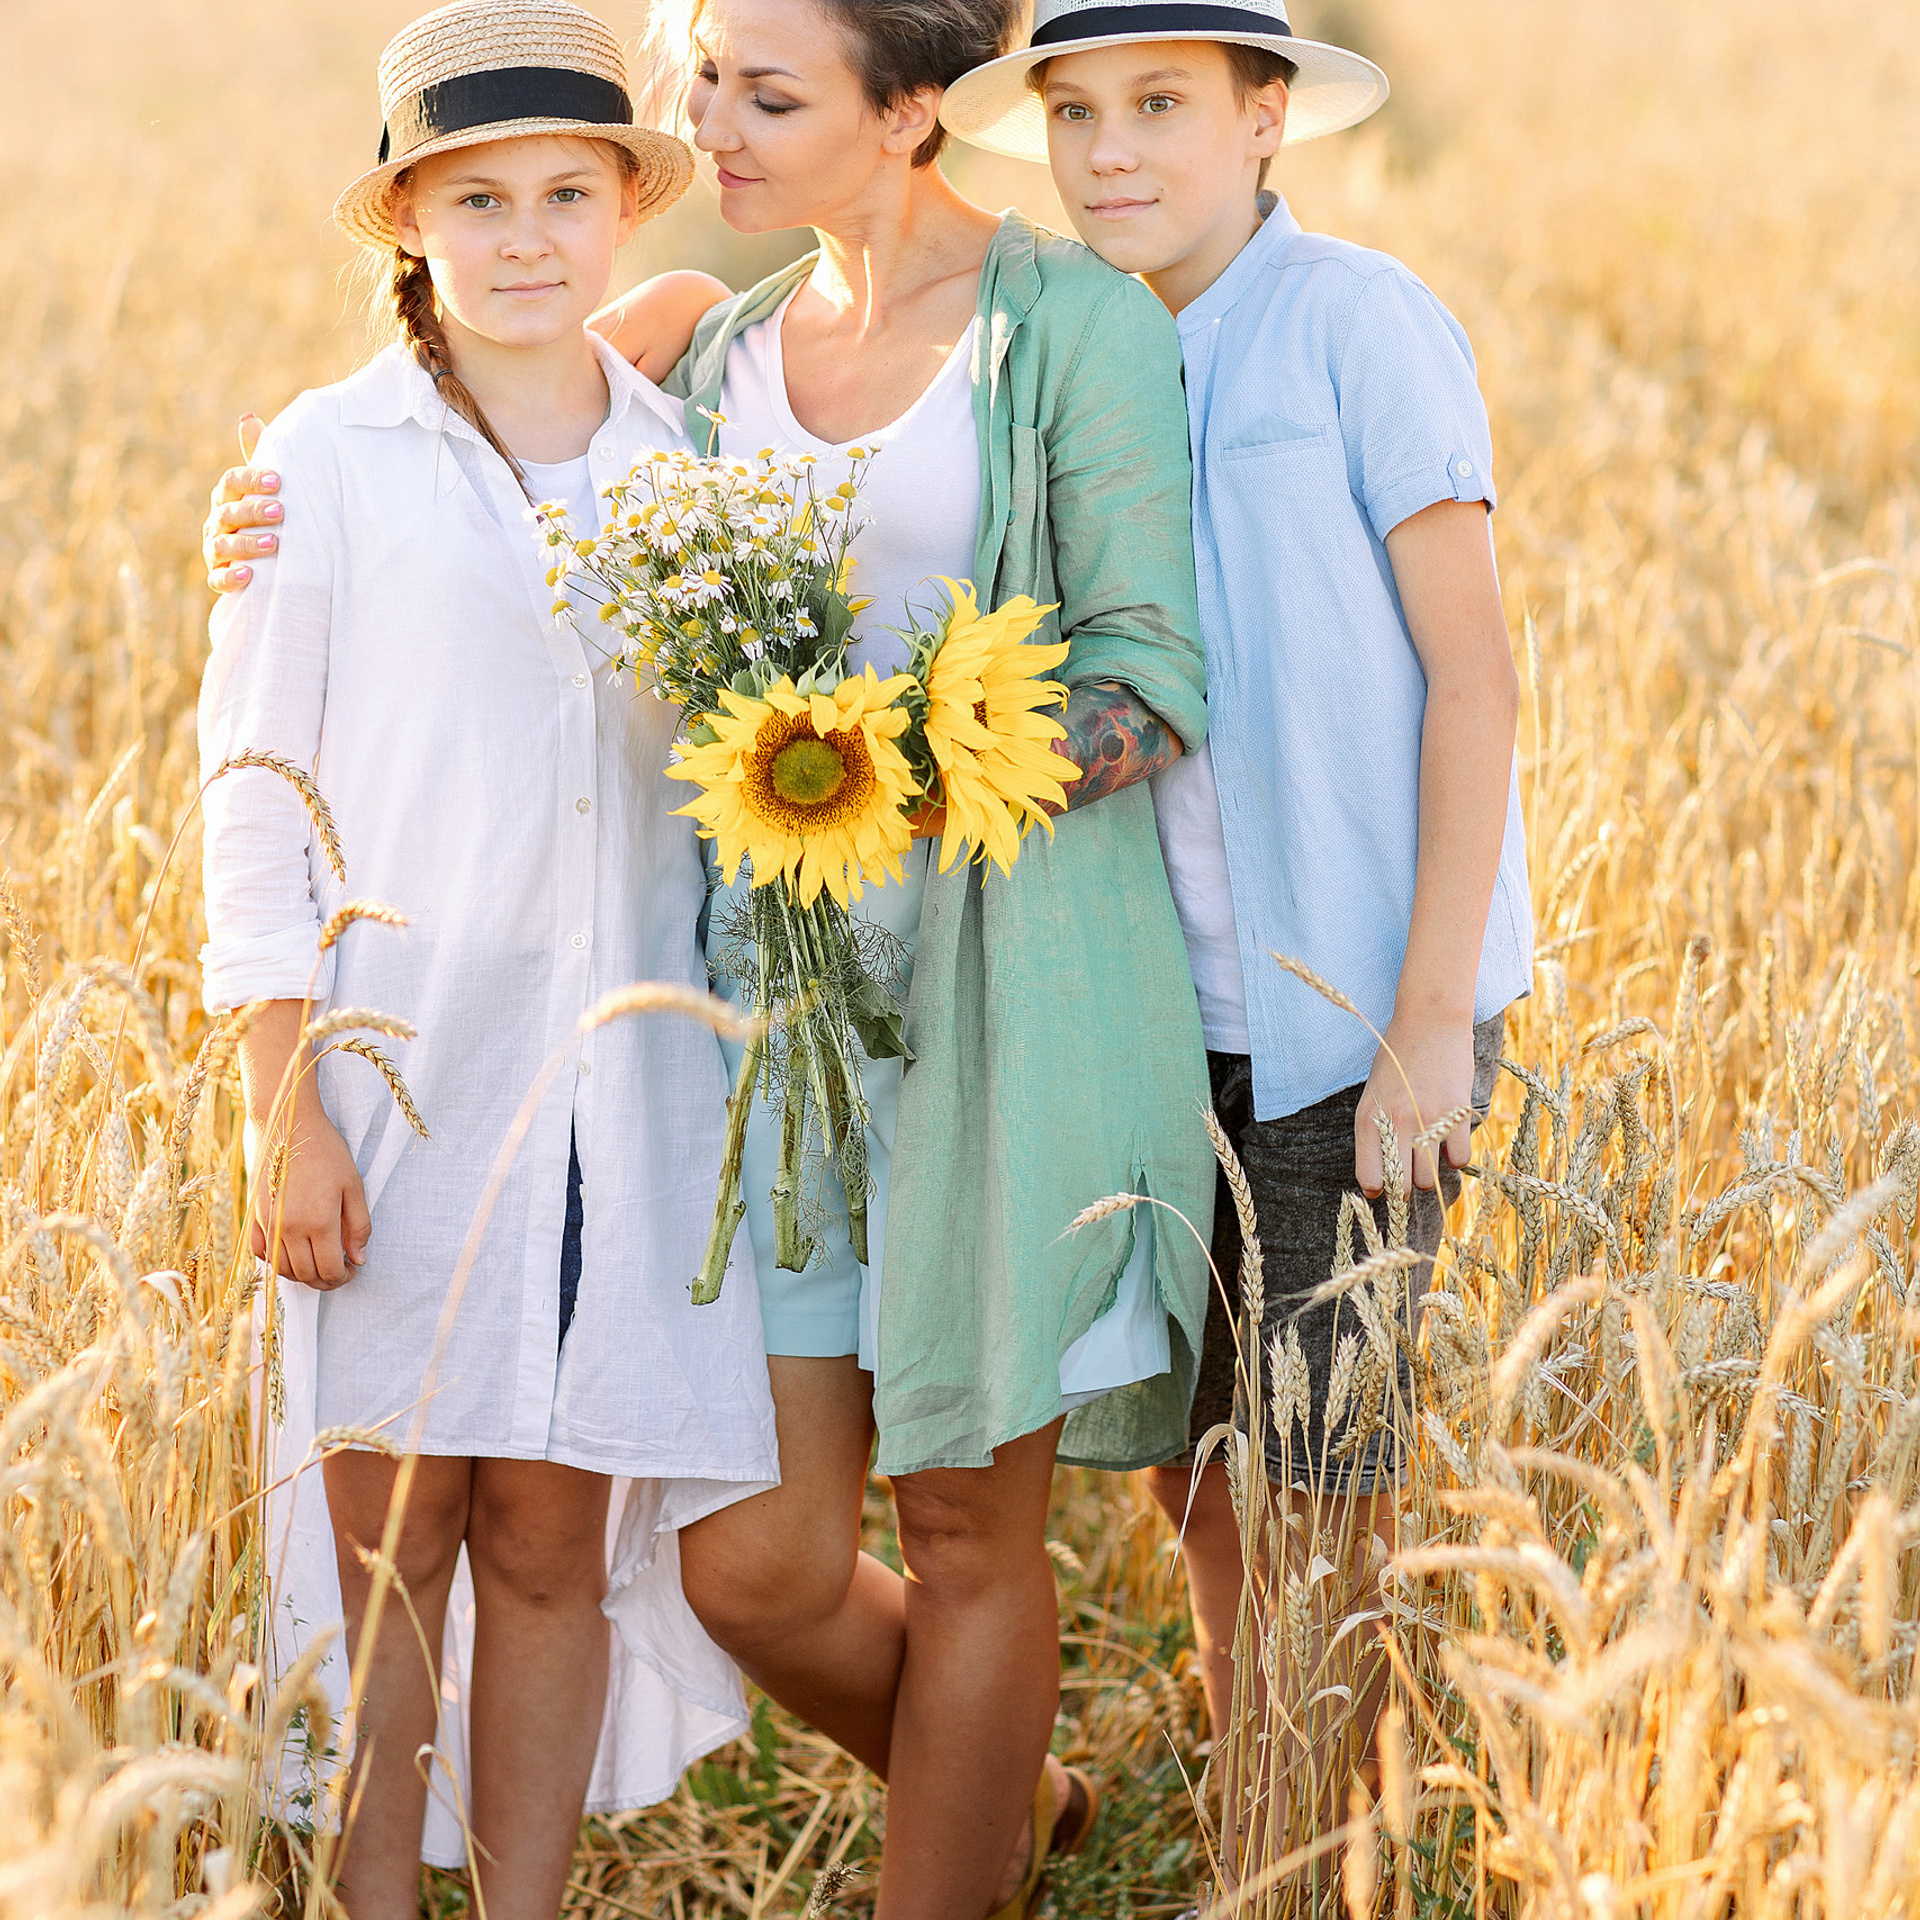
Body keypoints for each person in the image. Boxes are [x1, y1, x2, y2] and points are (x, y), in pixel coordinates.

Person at [209, 1, 1219, 1914]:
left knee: (954, 1520)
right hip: (754, 1036)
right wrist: (264, 504)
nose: (717, 127)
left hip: (988, 1001)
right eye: (708, 89)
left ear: (911, 113)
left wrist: (896, 780)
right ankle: (1000, 1779)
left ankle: (963, 1841)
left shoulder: (1048, 331)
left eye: (767, 95)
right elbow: (452, 418)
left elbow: (1151, 673)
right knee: (739, 1557)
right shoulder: (724, 347)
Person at [197, 7, 779, 1915]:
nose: (527, 239)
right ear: (411, 221)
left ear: (623, 207)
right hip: (399, 1083)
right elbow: (257, 803)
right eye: (477, 198)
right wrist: (291, 1114)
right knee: (392, 1554)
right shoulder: (326, 461)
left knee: (550, 1544)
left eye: (565, 193)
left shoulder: (687, 464)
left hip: (625, 1096)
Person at [942, 0, 1533, 1837]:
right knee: (1195, 1463)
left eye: (1163, 107)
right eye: (1078, 111)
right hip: (1136, 1002)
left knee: (1321, 1460)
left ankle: (1312, 1847)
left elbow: (1473, 676)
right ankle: (1255, 1797)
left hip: (1346, 1001)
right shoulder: (1047, 345)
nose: (1111, 150)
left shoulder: (1359, 324)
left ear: (1267, 119)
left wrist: (1426, 1020)